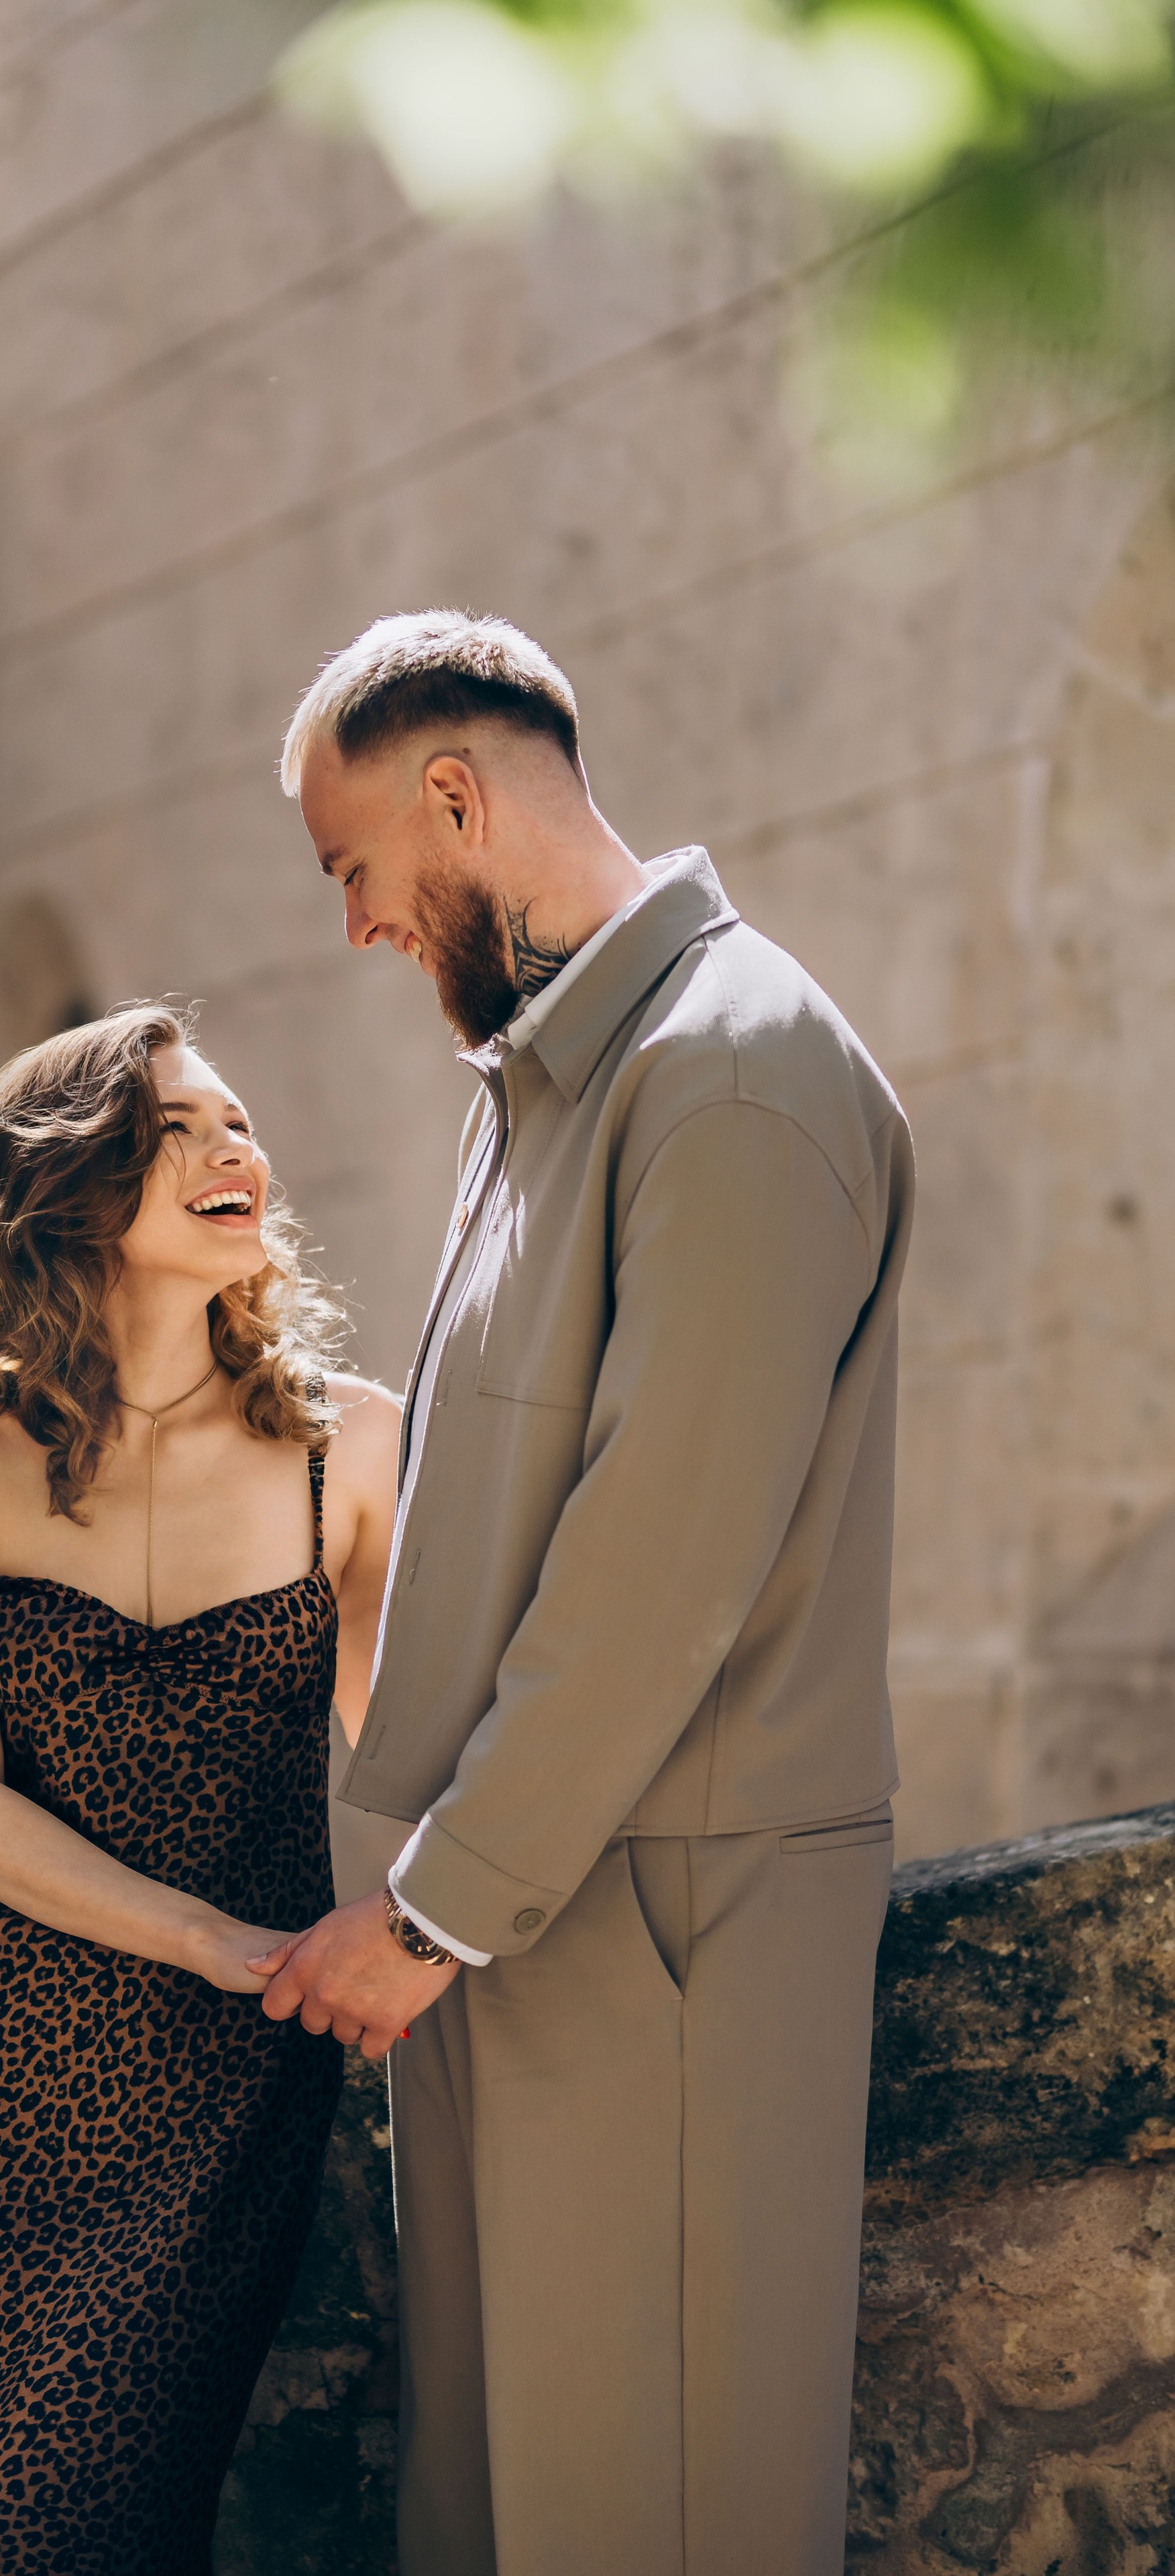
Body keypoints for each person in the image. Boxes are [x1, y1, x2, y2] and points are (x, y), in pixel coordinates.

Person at [258, 611, 915, 2576]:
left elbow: (659, 1566)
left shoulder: (731, 1076)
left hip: (650, 1947)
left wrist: (438, 1908)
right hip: (524, 1945)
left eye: (356, 866)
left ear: (455, 798)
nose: (360, 925)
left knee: (655, 2516)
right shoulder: (548, 1089)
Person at [0, 1004, 401, 2576]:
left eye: (238, 1122)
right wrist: (218, 1942)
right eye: (179, 1128)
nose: (237, 1150)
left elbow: (418, 1740)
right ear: (72, 1184)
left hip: (229, 2103)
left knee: (123, 2528)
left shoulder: (345, 1449)